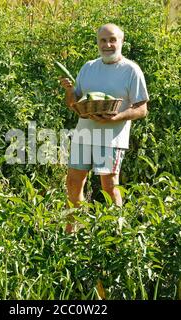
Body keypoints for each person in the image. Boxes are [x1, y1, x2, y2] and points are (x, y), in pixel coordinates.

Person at [59, 23, 149, 233]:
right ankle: (72, 233)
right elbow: (75, 104)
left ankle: (115, 235)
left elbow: (142, 109)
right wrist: (70, 90)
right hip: (83, 134)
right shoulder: (88, 67)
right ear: (97, 43)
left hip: (112, 138)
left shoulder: (131, 70)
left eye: (112, 40)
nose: (107, 44)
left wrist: (116, 117)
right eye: (103, 40)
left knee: (109, 186)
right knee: (73, 183)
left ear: (121, 42)